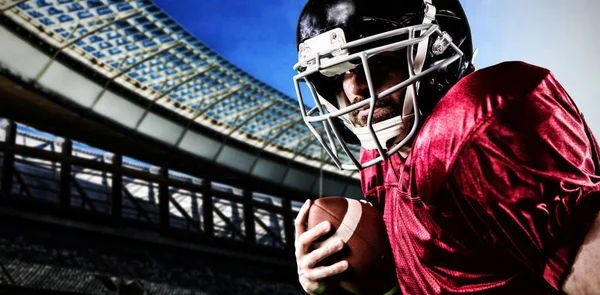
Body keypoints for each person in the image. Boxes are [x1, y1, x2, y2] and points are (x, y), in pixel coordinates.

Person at [291, 0, 600, 294]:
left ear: (436, 49)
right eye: (337, 74)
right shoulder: (378, 161)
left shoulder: (474, 129)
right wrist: (340, 279)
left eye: (378, 60)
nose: (354, 89)